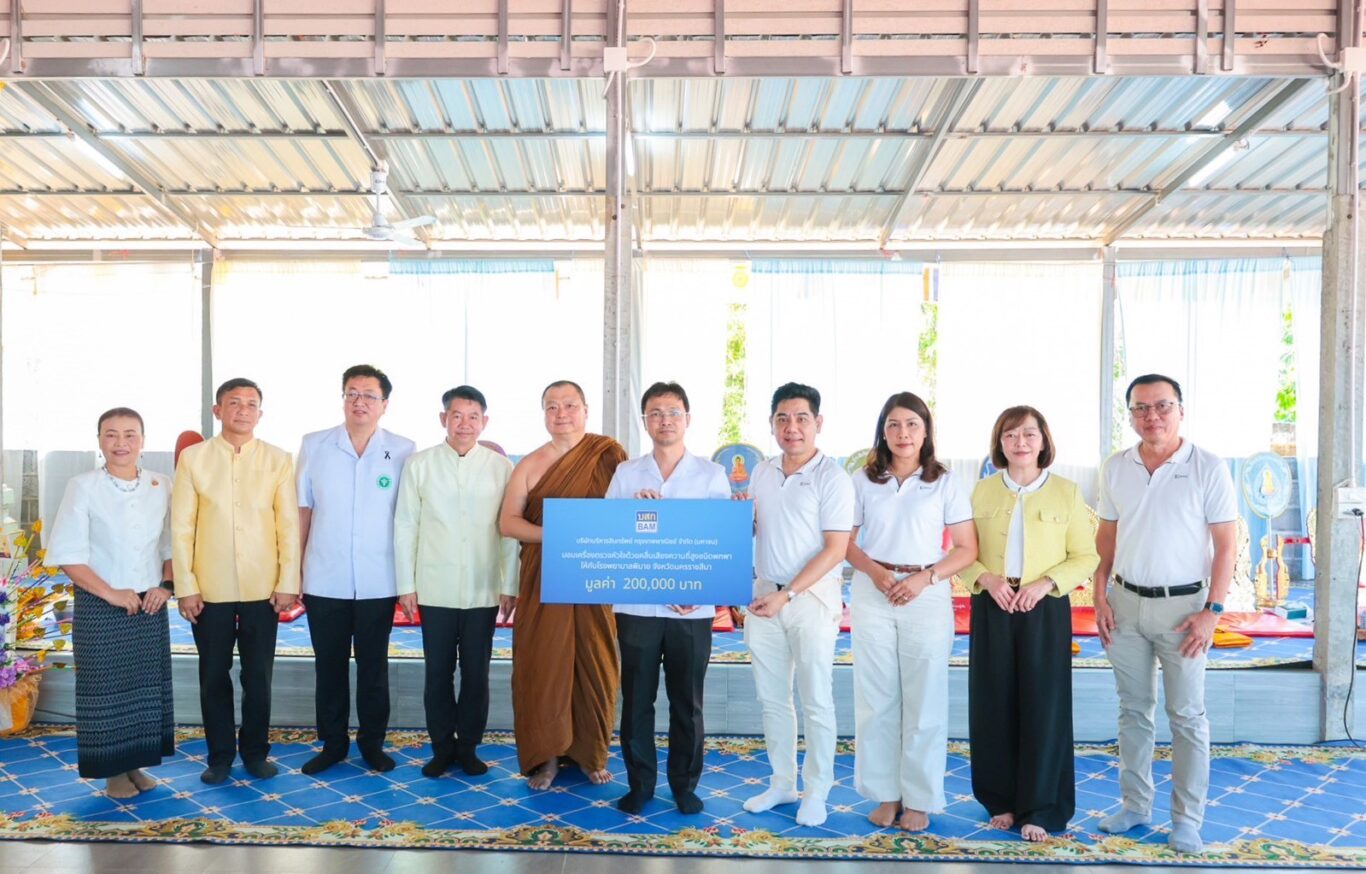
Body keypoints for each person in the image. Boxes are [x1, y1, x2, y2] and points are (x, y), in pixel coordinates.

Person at [1094, 374, 1237, 855]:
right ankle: (1135, 805)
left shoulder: (1208, 466)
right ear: (1130, 415)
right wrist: (1099, 595)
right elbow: (1106, 539)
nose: (1151, 416)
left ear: (1180, 409)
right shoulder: (1116, 466)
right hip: (1125, 604)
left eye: (1161, 406)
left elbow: (1226, 545)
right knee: (1133, 711)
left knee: (1187, 716)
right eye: (1140, 408)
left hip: (1186, 610)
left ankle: (1186, 820)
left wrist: (1213, 611)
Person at [959, 405, 1099, 841]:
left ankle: (1042, 807)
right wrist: (985, 579)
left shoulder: (1067, 492)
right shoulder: (980, 491)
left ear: (1043, 441)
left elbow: (1086, 556)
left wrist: (1045, 584)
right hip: (992, 603)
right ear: (999, 443)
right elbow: (961, 551)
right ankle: (999, 800)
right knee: (992, 702)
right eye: (1010, 434)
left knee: (1044, 705)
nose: (1020, 442)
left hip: (1044, 606)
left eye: (1029, 434)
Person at [844, 391, 978, 832]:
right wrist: (876, 573)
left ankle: (920, 799)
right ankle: (887, 794)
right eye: (894, 425)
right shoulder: (863, 480)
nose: (903, 433)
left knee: (924, 699)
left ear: (926, 431)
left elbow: (966, 548)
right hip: (873, 592)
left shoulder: (944, 481)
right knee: (876, 698)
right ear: (882, 432)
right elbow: (845, 541)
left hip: (927, 593)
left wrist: (924, 579)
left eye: (912, 424)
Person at [608, 381, 730, 815]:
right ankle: (640, 784)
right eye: (656, 413)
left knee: (687, 702)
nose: (665, 420)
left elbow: (721, 540)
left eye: (673, 412)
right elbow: (609, 536)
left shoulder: (711, 475)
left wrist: (700, 591)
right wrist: (632, 513)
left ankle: (684, 784)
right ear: (645, 421)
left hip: (691, 610)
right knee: (636, 700)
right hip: (637, 606)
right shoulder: (626, 474)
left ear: (688, 419)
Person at [172, 378, 301, 785]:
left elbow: (288, 526)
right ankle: (220, 756)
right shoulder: (194, 459)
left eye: (251, 404)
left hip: (264, 586)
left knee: (258, 676)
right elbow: (181, 527)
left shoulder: (278, 459)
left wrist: (288, 580)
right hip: (209, 588)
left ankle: (255, 752)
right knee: (213, 675)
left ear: (260, 413)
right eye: (234, 403)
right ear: (218, 410)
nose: (243, 410)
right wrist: (186, 586)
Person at [499, 380, 627, 790]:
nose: (561, 414)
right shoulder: (530, 464)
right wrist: (558, 533)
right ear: (544, 414)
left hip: (593, 573)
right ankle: (547, 758)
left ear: (586, 411)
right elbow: (508, 523)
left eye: (570, 405)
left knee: (595, 658)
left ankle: (591, 754)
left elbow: (626, 513)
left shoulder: (609, 456)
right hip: (544, 576)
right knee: (545, 663)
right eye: (552, 406)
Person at [741, 382, 853, 828]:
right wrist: (739, 518)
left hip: (810, 600)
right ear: (771, 424)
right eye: (782, 419)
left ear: (818, 423)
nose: (792, 427)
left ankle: (817, 791)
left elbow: (836, 549)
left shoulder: (833, 477)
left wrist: (787, 594)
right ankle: (782, 783)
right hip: (763, 597)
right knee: (772, 699)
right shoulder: (761, 472)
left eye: (801, 418)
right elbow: (757, 529)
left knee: (816, 699)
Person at [47, 407, 175, 799]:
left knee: (143, 690)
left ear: (143, 440)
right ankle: (112, 773)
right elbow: (68, 553)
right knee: (105, 691)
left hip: (149, 605)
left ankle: (133, 763)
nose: (121, 443)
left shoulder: (161, 484)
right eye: (111, 434)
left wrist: (166, 586)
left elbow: (171, 544)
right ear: (99, 440)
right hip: (101, 605)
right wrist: (111, 593)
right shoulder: (83, 486)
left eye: (130, 434)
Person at [295, 364, 415, 775]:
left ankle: (372, 743)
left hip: (379, 578)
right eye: (352, 393)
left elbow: (408, 517)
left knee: (373, 667)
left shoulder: (403, 449)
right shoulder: (314, 444)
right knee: (328, 667)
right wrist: (295, 570)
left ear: (385, 404)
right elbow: (303, 510)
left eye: (369, 395)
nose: (359, 401)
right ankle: (332, 744)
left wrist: (409, 578)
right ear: (343, 398)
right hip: (324, 576)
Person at [395, 385, 518, 779]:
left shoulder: (501, 468)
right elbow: (406, 525)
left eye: (473, 416)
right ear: (443, 419)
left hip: (484, 587)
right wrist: (406, 584)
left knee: (477, 674)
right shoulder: (420, 465)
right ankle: (441, 749)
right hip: (435, 586)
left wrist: (510, 585)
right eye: (457, 416)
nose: (465, 424)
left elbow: (508, 532)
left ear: (485, 421)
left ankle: (468, 748)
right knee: (438, 673)